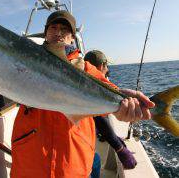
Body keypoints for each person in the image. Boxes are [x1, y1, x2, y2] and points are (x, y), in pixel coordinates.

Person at [10, 11, 155, 178]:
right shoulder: (26, 58)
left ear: (72, 37)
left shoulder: (86, 69)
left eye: (64, 29)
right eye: (53, 27)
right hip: (29, 165)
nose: (58, 33)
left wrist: (122, 104)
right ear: (46, 33)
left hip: (73, 164)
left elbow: (109, 91)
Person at [84, 50, 137, 172]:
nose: (107, 70)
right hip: (79, 152)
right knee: (95, 162)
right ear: (101, 66)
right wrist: (120, 148)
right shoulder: (94, 87)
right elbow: (99, 118)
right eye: (106, 66)